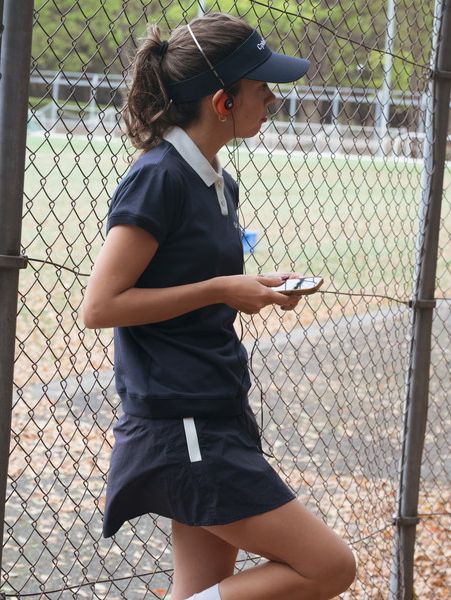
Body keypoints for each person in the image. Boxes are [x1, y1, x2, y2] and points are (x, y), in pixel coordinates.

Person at [82, 11, 356, 600]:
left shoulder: (217, 181)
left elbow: (196, 280)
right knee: (330, 566)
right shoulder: (159, 177)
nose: (272, 98)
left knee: (202, 590)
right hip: (182, 420)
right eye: (261, 87)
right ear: (222, 101)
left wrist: (249, 287)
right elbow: (99, 306)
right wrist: (221, 289)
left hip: (217, 407)